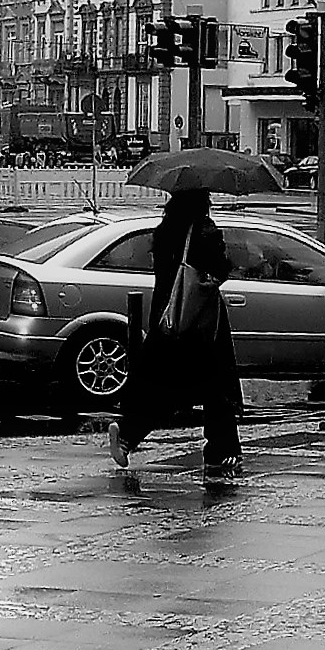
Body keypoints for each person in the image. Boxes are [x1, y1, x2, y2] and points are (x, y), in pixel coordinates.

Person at [108, 189, 243, 480]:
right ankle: (222, 451)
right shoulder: (205, 231)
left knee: (168, 387)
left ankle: (129, 434)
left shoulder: (165, 231)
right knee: (214, 387)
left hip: (168, 318)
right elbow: (221, 269)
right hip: (199, 321)